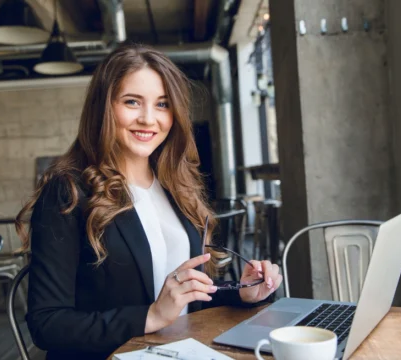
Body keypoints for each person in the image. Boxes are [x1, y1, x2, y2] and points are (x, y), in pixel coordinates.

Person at [15, 43, 283, 360]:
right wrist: (151, 316)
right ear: (104, 108)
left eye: (162, 104)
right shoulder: (69, 191)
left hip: (186, 350)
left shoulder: (175, 186)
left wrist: (243, 293)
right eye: (132, 102)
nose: (148, 118)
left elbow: (182, 298)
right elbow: (47, 324)